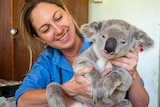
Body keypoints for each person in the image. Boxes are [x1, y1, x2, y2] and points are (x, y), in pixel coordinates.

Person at [15, 0, 149, 107]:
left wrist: (133, 73)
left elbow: (141, 104)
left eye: (58, 18)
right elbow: (22, 101)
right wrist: (69, 89)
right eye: (46, 29)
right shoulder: (47, 62)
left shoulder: (103, 43)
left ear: (66, 11)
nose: (58, 30)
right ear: (39, 38)